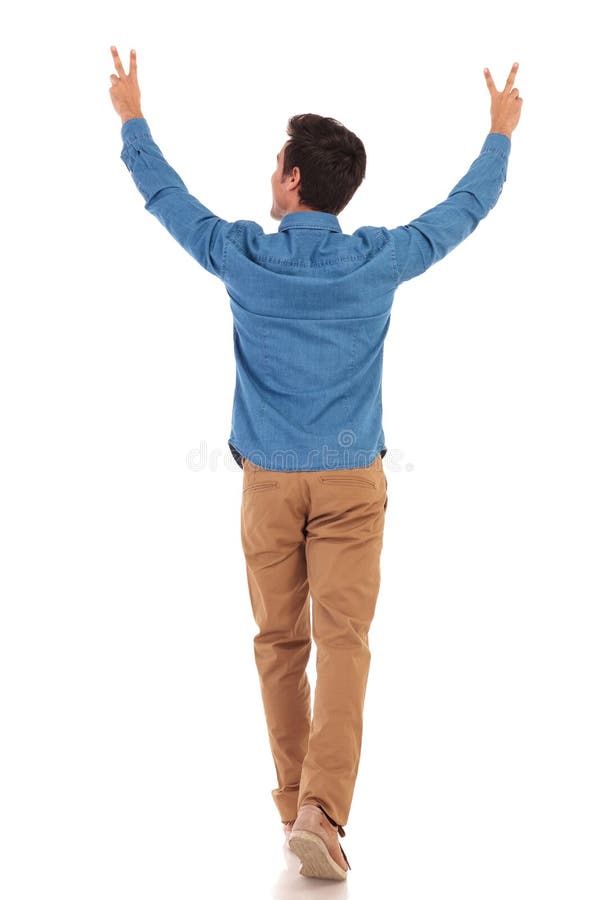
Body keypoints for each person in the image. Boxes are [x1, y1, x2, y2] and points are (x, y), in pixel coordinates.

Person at [109, 46, 522, 881]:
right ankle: (322, 814)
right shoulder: (379, 258)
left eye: (276, 164)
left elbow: (167, 198)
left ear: (293, 181)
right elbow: (465, 210)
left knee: (278, 642)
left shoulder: (242, 256)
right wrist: (500, 136)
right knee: (345, 644)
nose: (272, 173)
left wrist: (131, 119)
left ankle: (300, 806)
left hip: (267, 484)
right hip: (350, 485)